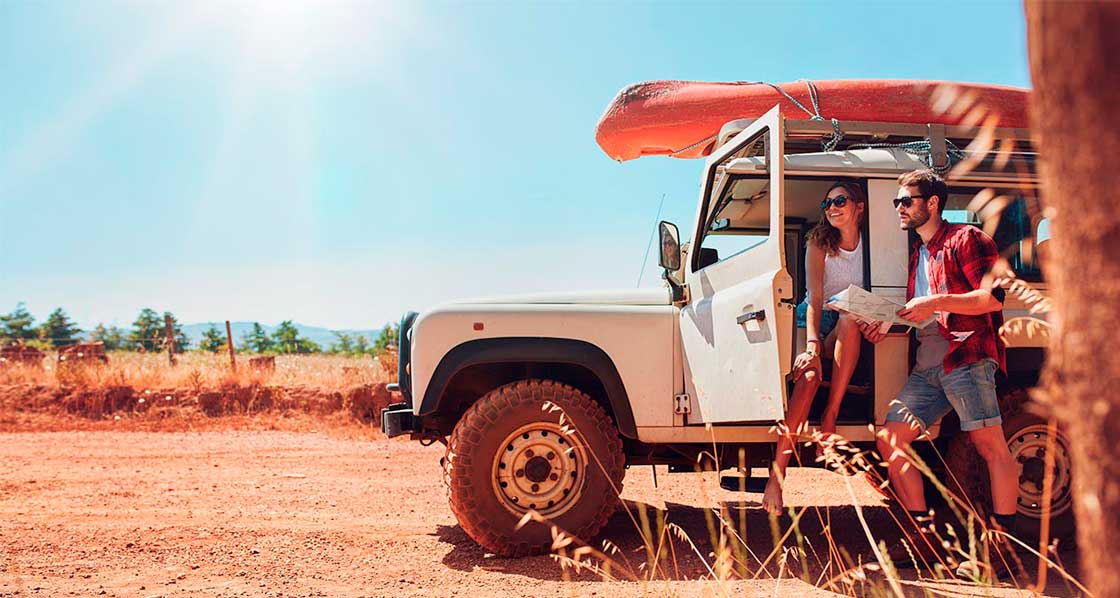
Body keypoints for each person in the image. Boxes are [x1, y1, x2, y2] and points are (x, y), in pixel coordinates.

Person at [868, 169, 1018, 563]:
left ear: (932, 203)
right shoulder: (918, 252)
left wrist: (934, 302)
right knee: (891, 438)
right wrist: (888, 323)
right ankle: (926, 536)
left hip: (966, 358)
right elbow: (921, 312)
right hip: (928, 365)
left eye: (907, 201)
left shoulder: (967, 239)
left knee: (992, 448)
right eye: (897, 201)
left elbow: (992, 300)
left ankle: (1003, 550)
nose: (900, 208)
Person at [762, 181, 868, 514]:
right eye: (827, 203)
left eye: (840, 200)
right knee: (806, 375)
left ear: (859, 207)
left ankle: (829, 419)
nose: (832, 208)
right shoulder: (818, 242)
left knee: (851, 319)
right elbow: (816, 299)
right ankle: (776, 479)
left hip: (850, 319)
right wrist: (811, 343)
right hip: (813, 318)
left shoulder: (876, 244)